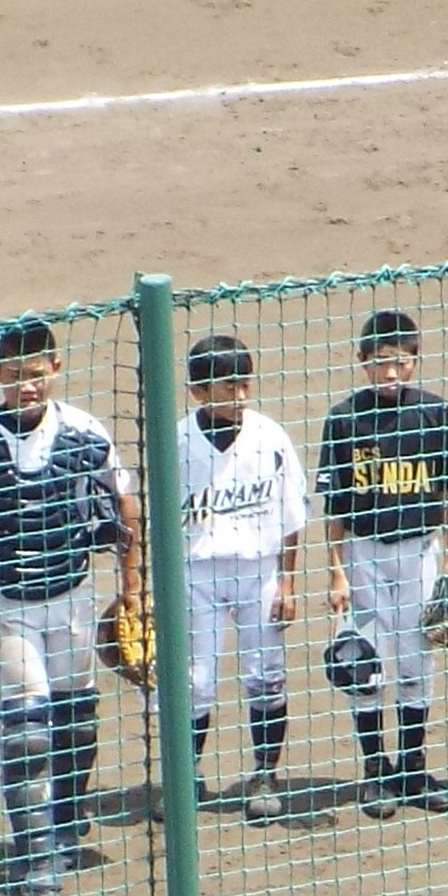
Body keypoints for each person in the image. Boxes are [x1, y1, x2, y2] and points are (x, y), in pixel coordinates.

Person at [0, 315, 135, 896]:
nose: (27, 387)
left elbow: (125, 514)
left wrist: (132, 592)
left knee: (78, 721)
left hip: (72, 596)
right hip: (4, 600)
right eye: (14, 376)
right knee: (26, 730)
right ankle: (34, 854)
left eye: (36, 375)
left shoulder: (87, 434)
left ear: (56, 369)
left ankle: (64, 819)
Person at [311, 306, 448, 813]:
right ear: (363, 361)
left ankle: (414, 769)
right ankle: (375, 770)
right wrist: (336, 570)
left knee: (416, 659)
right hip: (362, 551)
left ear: (415, 362)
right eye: (381, 362)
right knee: (363, 661)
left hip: (420, 550)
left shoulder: (434, 412)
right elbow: (335, 505)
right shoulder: (344, 418)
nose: (392, 372)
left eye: (402, 362)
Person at [174, 333, 314, 826]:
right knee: (195, 683)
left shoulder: (270, 436)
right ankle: (185, 774)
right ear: (198, 392)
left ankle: (263, 774)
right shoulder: (176, 441)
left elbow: (291, 517)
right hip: (196, 574)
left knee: (266, 677)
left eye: (243, 384)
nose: (239, 395)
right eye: (226, 386)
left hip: (259, 572)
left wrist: (288, 584)